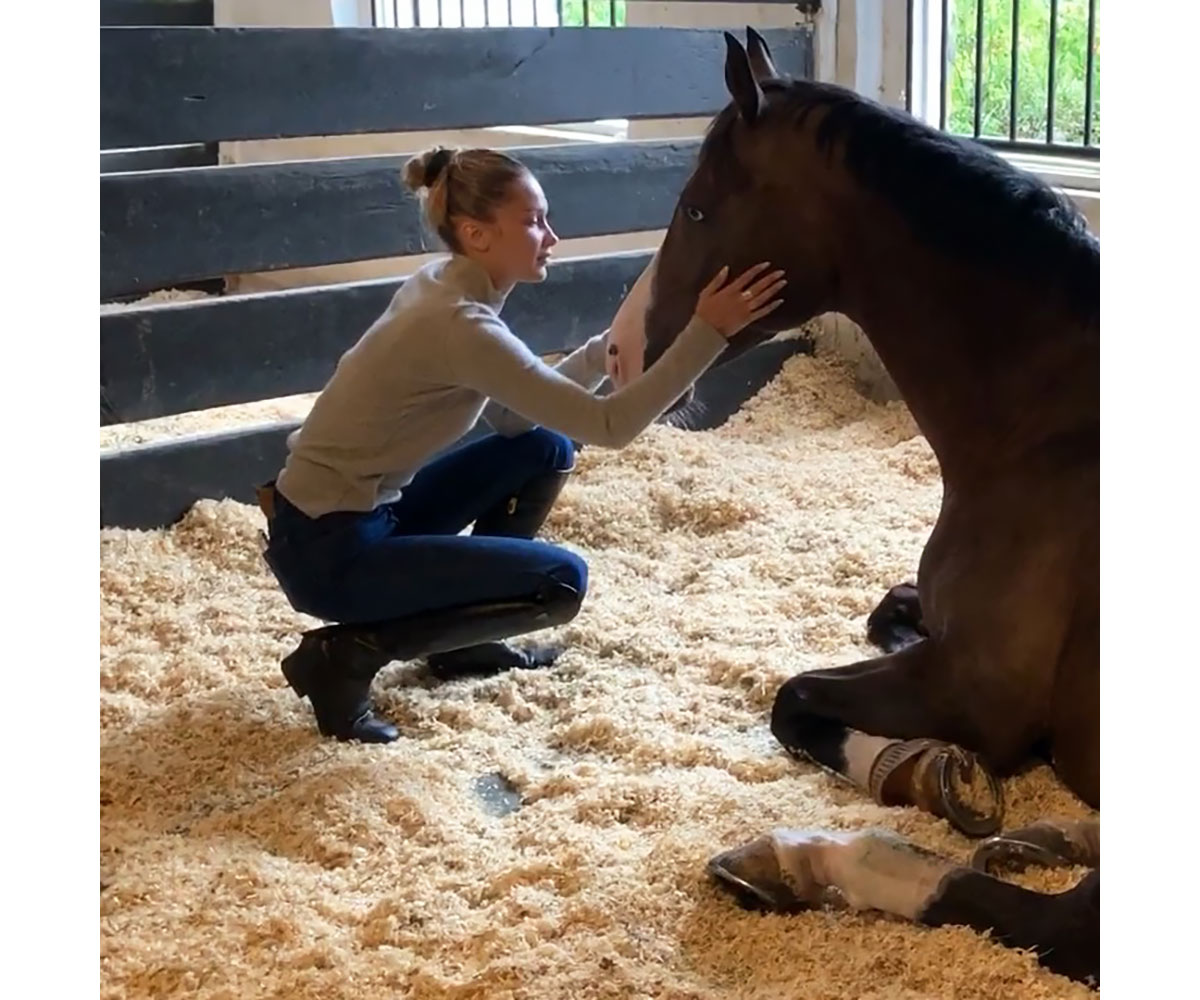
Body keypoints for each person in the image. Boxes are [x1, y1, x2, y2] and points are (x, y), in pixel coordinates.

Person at [257, 145, 787, 744]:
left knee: (544, 449)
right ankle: (346, 655)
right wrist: (708, 333)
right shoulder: (459, 323)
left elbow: (513, 420)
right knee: (560, 583)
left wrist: (599, 352)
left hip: (350, 517)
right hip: (329, 551)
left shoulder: (445, 289)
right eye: (534, 221)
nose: (551, 236)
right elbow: (611, 428)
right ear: (477, 234)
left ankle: (463, 642)